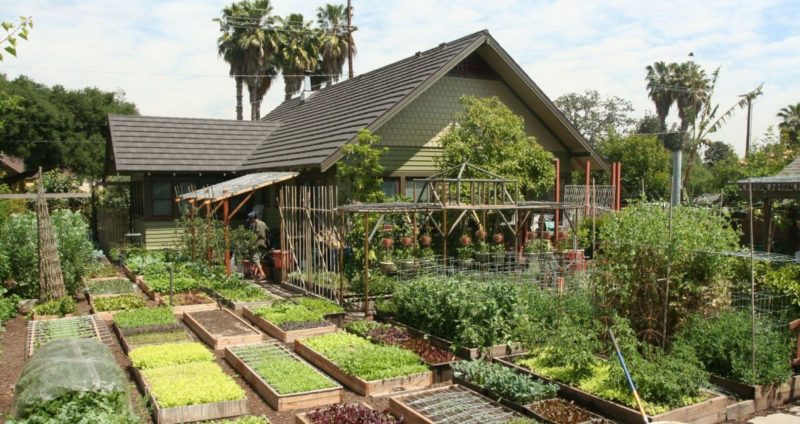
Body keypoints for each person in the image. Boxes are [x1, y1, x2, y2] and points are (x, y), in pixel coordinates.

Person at [247, 212, 269, 281]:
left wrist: (250, 242)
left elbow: (259, 235)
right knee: (258, 259)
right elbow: (267, 231)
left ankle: (262, 274)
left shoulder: (259, 225)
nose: (250, 221)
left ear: (253, 218)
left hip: (258, 243)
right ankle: (259, 274)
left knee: (255, 259)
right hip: (261, 243)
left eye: (250, 219)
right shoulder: (260, 223)